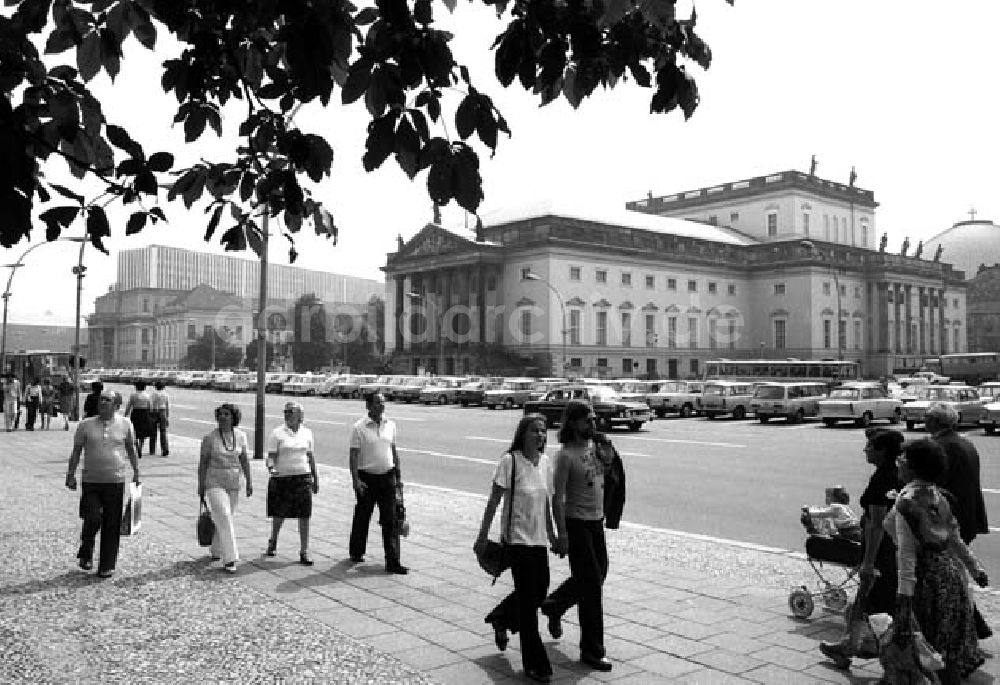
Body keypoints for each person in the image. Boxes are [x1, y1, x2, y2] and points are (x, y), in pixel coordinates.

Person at [884, 438, 988, 684]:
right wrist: (975, 569)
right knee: (945, 653)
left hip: (925, 583)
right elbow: (955, 538)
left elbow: (907, 556)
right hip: (951, 577)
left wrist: (904, 600)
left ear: (911, 467)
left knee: (927, 653)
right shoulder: (938, 497)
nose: (898, 463)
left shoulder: (906, 503)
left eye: (902, 459)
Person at [475, 414, 557, 683]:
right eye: (535, 431)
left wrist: (553, 534)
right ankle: (535, 664)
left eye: (543, 431)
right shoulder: (510, 462)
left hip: (539, 541)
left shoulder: (545, 463)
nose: (540, 436)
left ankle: (501, 618)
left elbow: (545, 502)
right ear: (523, 433)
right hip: (517, 541)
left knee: (538, 592)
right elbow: (493, 502)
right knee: (529, 605)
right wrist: (482, 536)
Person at [819, 428, 904, 669]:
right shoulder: (897, 473)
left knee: (871, 602)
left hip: (882, 550)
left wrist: (867, 562)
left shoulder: (882, 479)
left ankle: (860, 648)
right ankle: (851, 645)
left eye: (870, 446)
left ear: (882, 451)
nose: (865, 450)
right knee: (872, 602)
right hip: (893, 548)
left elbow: (877, 524)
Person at [540, 400, 615, 672]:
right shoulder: (565, 456)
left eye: (594, 419)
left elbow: (608, 472)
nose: (593, 424)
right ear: (573, 423)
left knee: (598, 574)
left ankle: (555, 605)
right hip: (576, 523)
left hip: (596, 521)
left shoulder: (595, 447)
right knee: (592, 586)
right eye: (588, 420)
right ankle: (592, 651)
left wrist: (607, 449)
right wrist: (561, 534)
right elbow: (557, 498)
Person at [925, 402, 991, 639]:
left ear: (936, 422)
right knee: (957, 571)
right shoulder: (966, 442)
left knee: (950, 577)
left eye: (928, 417)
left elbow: (935, 486)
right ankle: (975, 624)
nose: (924, 421)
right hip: (969, 516)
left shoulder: (940, 447)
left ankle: (969, 626)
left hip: (949, 520)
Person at [64, 388, 140, 578]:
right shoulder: (86, 425)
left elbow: (131, 449)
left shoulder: (125, 424)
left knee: (112, 524)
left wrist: (137, 472)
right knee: (92, 517)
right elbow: (76, 451)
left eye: (107, 400)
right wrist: (70, 474)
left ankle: (106, 565)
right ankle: (87, 547)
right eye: (101, 400)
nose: (102, 403)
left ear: (116, 405)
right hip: (91, 481)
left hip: (115, 481)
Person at [348, 392, 408, 574]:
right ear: (368, 406)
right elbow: (353, 456)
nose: (381, 406)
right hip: (366, 478)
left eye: (383, 402)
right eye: (377, 403)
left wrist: (398, 477)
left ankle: (393, 560)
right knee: (362, 516)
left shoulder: (390, 425)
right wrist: (356, 480)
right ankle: (356, 552)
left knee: (390, 519)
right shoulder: (359, 427)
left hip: (387, 477)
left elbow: (393, 450)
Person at [198, 403, 253, 573]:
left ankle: (216, 549)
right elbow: (203, 463)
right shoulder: (210, 438)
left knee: (223, 518)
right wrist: (201, 485)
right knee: (224, 514)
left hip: (234, 483)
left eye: (227, 414)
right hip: (214, 482)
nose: (223, 417)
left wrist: (249, 481)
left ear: (233, 417)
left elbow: (244, 460)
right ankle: (230, 558)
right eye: (220, 414)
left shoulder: (241, 436)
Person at [265, 401, 318, 565]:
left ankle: (304, 550)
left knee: (304, 514)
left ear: (300, 416)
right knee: (279, 514)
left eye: (291, 412)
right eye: (285, 412)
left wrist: (315, 477)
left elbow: (310, 456)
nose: (287, 414)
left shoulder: (307, 433)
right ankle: (273, 540)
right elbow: (271, 456)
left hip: (303, 477)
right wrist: (271, 467)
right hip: (282, 478)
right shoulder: (277, 433)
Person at [124, 381, 155, 458]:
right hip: (144, 414)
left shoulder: (133, 395)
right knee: (143, 432)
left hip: (135, 413)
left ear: (136, 387)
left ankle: (137, 447)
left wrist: (125, 414)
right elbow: (150, 407)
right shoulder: (147, 396)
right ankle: (141, 447)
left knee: (134, 431)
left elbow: (129, 405)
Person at [149, 380, 170, 457]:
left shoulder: (154, 394)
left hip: (155, 412)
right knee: (163, 431)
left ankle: (152, 450)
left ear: (156, 387)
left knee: (153, 431)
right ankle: (164, 449)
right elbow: (168, 406)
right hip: (163, 411)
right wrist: (167, 416)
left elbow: (150, 404)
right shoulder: (166, 394)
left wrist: (150, 413)